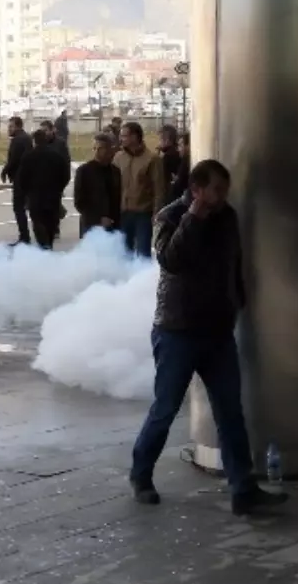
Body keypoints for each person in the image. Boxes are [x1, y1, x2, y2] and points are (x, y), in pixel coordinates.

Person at [130, 159, 288, 516]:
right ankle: (141, 475)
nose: (222, 197)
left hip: (217, 331)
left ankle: (242, 487)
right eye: (216, 189)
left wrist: (237, 302)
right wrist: (194, 219)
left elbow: (233, 264)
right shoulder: (170, 217)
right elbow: (171, 260)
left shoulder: (228, 217)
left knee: (230, 411)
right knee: (165, 408)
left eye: (224, 190)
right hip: (177, 330)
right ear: (196, 189)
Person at [113, 120, 166, 257]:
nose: (121, 139)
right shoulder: (118, 157)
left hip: (143, 214)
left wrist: (156, 213)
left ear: (135, 137)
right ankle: (127, 278)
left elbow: (159, 188)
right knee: (124, 252)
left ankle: (143, 278)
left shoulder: (152, 159)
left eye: (124, 136)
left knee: (143, 252)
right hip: (123, 213)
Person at [16, 129, 72, 249]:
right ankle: (49, 245)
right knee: (51, 224)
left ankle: (43, 247)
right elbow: (66, 175)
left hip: (36, 197)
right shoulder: (57, 156)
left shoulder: (28, 157)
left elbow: (22, 178)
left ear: (34, 141)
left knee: (38, 223)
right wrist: (59, 188)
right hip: (53, 197)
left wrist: (28, 192)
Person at [72, 133, 122, 237]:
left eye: (101, 148)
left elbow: (118, 197)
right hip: (91, 225)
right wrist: (98, 219)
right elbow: (79, 202)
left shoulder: (115, 171)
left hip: (113, 225)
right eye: (95, 148)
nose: (96, 151)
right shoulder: (84, 171)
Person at [0, 116, 34, 245]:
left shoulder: (18, 140)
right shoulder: (26, 138)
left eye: (11, 126)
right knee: (28, 207)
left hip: (20, 179)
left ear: (18, 126)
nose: (9, 129)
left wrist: (4, 171)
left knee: (18, 208)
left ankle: (24, 237)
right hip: (27, 178)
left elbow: (13, 160)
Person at [157, 125, 190, 206]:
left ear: (167, 140)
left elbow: (163, 178)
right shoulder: (174, 153)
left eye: (160, 139)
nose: (159, 142)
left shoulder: (168, 156)